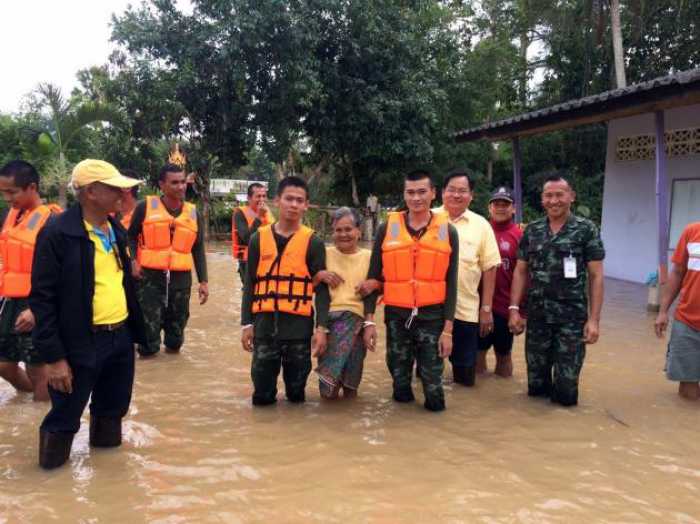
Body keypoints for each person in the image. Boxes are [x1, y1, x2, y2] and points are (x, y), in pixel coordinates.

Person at [30, 159, 145, 469]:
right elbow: (42, 300)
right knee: (64, 417)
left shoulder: (115, 229)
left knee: (112, 410)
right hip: (80, 343)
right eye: (115, 188)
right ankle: (51, 489)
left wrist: (134, 336)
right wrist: (54, 358)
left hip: (119, 338)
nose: (124, 193)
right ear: (92, 192)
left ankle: (108, 488)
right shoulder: (57, 233)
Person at [367, 169, 459, 412]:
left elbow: (452, 284)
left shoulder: (448, 231)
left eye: (421, 192)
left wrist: (448, 330)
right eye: (410, 192)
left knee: (433, 386)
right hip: (397, 318)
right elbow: (373, 279)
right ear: (404, 194)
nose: (416, 198)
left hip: (432, 318)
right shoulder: (386, 228)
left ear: (433, 194)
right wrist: (368, 322)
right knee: (399, 384)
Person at [509, 175, 605, 407]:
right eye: (548, 195)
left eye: (559, 195)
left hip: (571, 321)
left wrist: (594, 320)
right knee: (536, 386)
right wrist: (514, 310)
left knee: (566, 389)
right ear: (542, 199)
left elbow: (596, 276)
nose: (554, 201)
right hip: (538, 318)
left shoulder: (586, 230)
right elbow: (521, 272)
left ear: (571, 196)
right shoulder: (532, 230)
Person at [240, 176, 330, 405]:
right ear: (277, 200)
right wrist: (246, 324)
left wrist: (321, 329)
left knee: (297, 396)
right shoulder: (257, 239)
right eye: (289, 199)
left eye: (299, 200)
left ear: (306, 205)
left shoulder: (314, 243)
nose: (294, 204)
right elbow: (250, 284)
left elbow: (321, 290)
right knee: (261, 396)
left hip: (298, 331)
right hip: (264, 328)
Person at [128, 163, 209, 358]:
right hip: (149, 281)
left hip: (180, 282)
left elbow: (198, 249)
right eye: (174, 183)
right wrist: (132, 261)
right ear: (162, 185)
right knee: (148, 339)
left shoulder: (193, 213)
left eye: (183, 182)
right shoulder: (144, 207)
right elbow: (130, 236)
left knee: (175, 338)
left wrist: (203, 281)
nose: (181, 187)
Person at [433, 170, 500, 387]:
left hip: (465, 310)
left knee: (465, 378)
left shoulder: (482, 225)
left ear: (471, 195)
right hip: (429, 310)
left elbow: (490, 268)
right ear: (442, 193)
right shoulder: (427, 218)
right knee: (426, 375)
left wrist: (486, 308)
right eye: (451, 190)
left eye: (462, 191)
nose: (456, 195)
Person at [0, 160, 60, 401]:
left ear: (32, 187)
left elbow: (64, 272)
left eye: (11, 192)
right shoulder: (11, 215)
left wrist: (37, 310)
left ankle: (42, 416)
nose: (6, 197)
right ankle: (32, 402)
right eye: (3, 192)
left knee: (38, 368)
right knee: (4, 365)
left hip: (37, 302)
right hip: (9, 301)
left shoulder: (53, 220)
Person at [312, 207, 379, 399]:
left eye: (348, 229)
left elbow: (372, 294)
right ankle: (329, 426)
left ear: (359, 231)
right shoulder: (324, 254)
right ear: (332, 232)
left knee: (351, 384)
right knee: (329, 389)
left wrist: (370, 323)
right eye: (338, 230)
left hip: (357, 325)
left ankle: (350, 424)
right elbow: (320, 293)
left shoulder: (369, 256)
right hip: (330, 324)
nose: (343, 234)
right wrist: (321, 328)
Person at [477, 187, 523, 377]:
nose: (501, 208)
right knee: (477, 354)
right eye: (496, 204)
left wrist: (520, 310)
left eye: (506, 204)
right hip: (478, 306)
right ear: (489, 208)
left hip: (505, 308)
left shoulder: (520, 236)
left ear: (514, 208)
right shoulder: (479, 230)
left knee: (504, 355)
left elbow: (524, 275)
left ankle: (503, 395)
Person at [655, 221, 700, 400]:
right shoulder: (692, 231)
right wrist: (663, 311)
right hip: (687, 322)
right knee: (688, 391)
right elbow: (678, 272)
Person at [232, 182, 273, 284]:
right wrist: (259, 217)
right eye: (258, 196)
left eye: (264, 196)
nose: (262, 199)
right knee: (250, 295)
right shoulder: (240, 214)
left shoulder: (268, 213)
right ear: (249, 198)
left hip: (267, 260)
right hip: (248, 262)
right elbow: (247, 239)